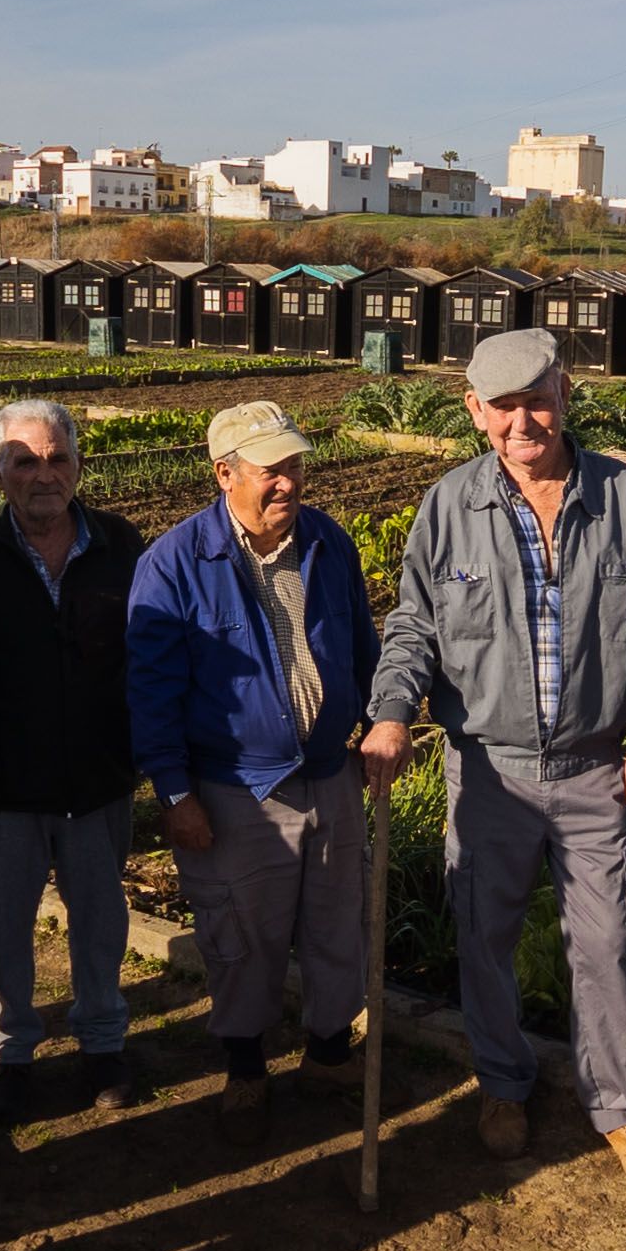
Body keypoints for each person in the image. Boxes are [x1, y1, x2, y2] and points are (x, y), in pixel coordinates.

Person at [360, 328, 626, 1190]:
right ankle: (504, 1081)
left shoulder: (622, 497)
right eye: (501, 407)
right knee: (484, 936)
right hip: (489, 769)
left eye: (536, 400)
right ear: (475, 412)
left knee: (607, 943)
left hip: (593, 768)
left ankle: (620, 1109)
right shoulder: (447, 507)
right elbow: (414, 626)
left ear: (565, 393)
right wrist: (392, 712)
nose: (521, 421)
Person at [126, 399, 379, 1145]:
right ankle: (244, 1067)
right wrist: (175, 792)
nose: (288, 484)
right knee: (242, 935)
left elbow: (361, 642)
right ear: (225, 474)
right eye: (272, 471)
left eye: (295, 466)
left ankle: (330, 1054)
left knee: (337, 925)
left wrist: (374, 719)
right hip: (237, 786)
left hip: (330, 772)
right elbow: (151, 692)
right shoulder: (175, 563)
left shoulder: (327, 542)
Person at [0, 398, 151, 1119]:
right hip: (5, 783)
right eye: (24, 461)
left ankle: (102, 1044)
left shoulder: (121, 545)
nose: (43, 475)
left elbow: (151, 653)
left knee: (101, 922)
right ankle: (11, 1054)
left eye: (57, 458)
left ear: (78, 465)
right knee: (5, 925)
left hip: (99, 776)